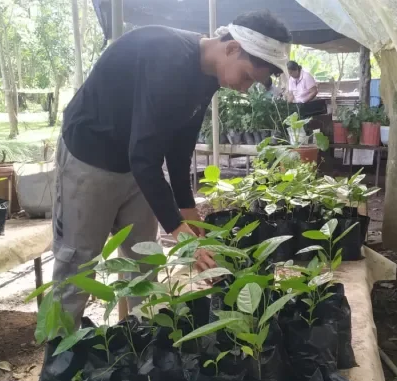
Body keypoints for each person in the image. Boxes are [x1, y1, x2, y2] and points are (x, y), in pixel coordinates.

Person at [54, 12, 292, 324]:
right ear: (232, 48)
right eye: (247, 76)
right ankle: (58, 363)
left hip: (138, 167)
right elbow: (145, 157)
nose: (246, 88)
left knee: (145, 262)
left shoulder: (209, 76)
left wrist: (193, 227)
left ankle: (143, 350)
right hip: (91, 160)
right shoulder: (169, 58)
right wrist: (180, 235)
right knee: (79, 264)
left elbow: (178, 153)